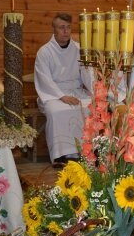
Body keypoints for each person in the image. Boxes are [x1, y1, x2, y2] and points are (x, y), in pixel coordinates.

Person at [34, 13, 92, 166]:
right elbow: (44, 79)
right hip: (52, 94)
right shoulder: (45, 52)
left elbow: (86, 75)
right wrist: (62, 96)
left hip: (76, 90)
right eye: (61, 28)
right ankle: (61, 155)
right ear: (54, 30)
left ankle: (87, 151)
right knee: (57, 111)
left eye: (68, 27)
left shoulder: (79, 49)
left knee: (91, 107)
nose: (66, 31)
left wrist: (95, 91)